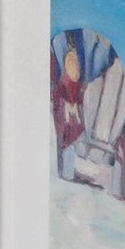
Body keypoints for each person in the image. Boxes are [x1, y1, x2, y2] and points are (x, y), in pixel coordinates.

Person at [50, 45, 85, 181]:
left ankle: (66, 172)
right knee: (65, 138)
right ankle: (65, 172)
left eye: (76, 63)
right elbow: (59, 94)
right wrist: (67, 105)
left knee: (69, 140)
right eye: (72, 63)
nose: (75, 66)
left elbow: (77, 98)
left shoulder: (76, 83)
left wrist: (74, 106)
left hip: (71, 116)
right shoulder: (63, 82)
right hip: (63, 113)